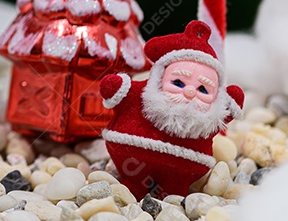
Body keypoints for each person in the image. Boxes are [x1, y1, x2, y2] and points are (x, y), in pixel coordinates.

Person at [98, 20, 244, 199]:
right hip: (132, 155)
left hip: (185, 166)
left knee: (174, 190)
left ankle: (174, 193)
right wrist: (115, 87)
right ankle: (133, 186)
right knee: (134, 183)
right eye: (178, 83)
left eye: (203, 89)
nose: (190, 92)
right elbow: (117, 90)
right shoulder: (141, 93)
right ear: (160, 77)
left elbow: (227, 110)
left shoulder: (211, 116)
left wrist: (232, 101)